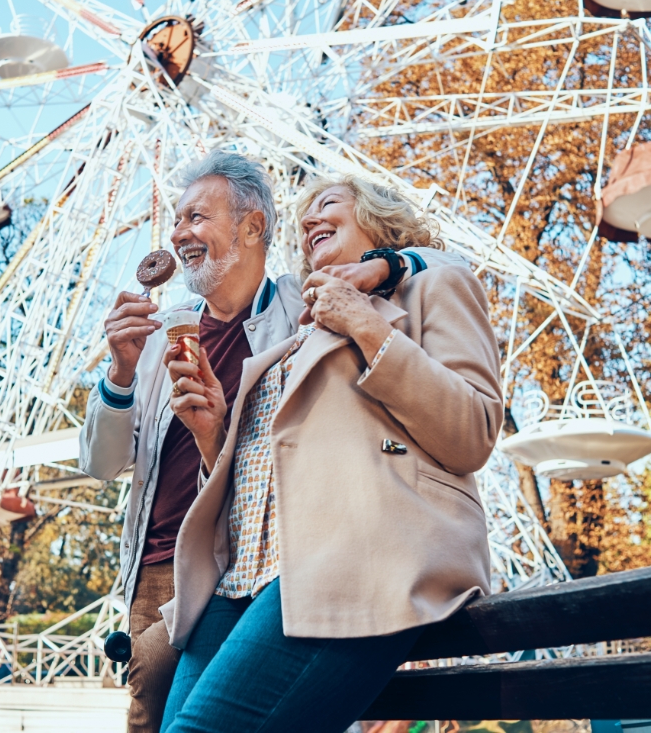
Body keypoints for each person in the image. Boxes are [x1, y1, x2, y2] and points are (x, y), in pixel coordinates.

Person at [79, 153, 455, 733]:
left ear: (252, 227)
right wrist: (121, 372)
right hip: (168, 559)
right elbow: (101, 464)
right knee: (157, 701)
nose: (178, 233)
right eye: (177, 221)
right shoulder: (158, 335)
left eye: (197, 217)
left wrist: (393, 261)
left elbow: (415, 264)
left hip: (265, 553)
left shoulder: (301, 311)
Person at [158, 175, 503, 733]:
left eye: (328, 204)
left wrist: (367, 323)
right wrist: (212, 433)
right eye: (301, 220)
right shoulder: (292, 340)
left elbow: (474, 431)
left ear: (379, 221)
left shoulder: (433, 285)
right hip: (238, 581)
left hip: (347, 562)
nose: (309, 218)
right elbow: (267, 481)